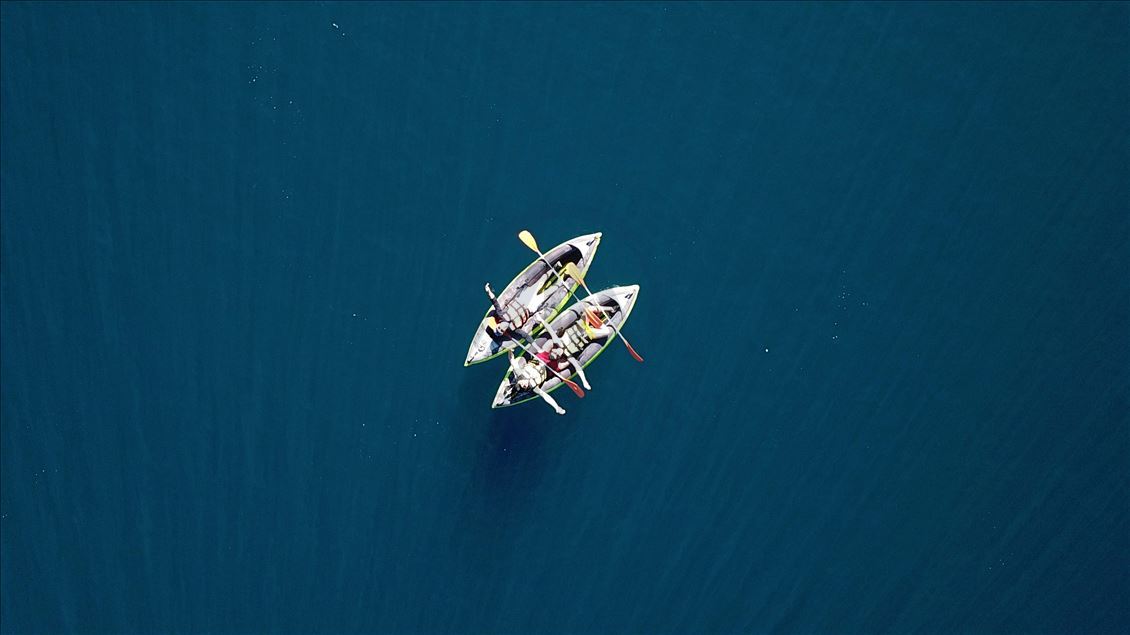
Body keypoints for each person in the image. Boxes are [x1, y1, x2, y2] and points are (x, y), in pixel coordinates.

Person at [533, 316, 593, 390]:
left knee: (585, 317)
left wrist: (541, 319)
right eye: (557, 356)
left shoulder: (557, 342)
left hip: (577, 329)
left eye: (554, 353)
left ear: (553, 350)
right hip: (585, 337)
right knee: (592, 332)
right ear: (559, 358)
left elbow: (549, 329)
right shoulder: (568, 356)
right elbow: (578, 367)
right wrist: (585, 382)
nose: (556, 353)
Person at [506, 350, 566, 415]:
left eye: (521, 384)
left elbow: (511, 360)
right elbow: (545, 396)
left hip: (541, 359)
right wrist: (556, 407)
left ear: (518, 381)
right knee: (562, 365)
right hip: (549, 370)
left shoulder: (519, 373)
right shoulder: (533, 387)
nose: (524, 385)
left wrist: (509, 351)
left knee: (553, 350)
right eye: (524, 387)